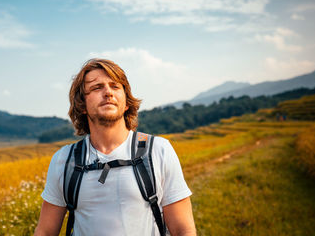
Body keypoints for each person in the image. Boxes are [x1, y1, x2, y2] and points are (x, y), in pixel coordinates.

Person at [34, 59, 196, 236]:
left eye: (115, 86)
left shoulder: (158, 150)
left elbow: (183, 230)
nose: (108, 92)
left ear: (126, 102)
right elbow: (45, 231)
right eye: (97, 87)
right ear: (82, 105)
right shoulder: (65, 160)